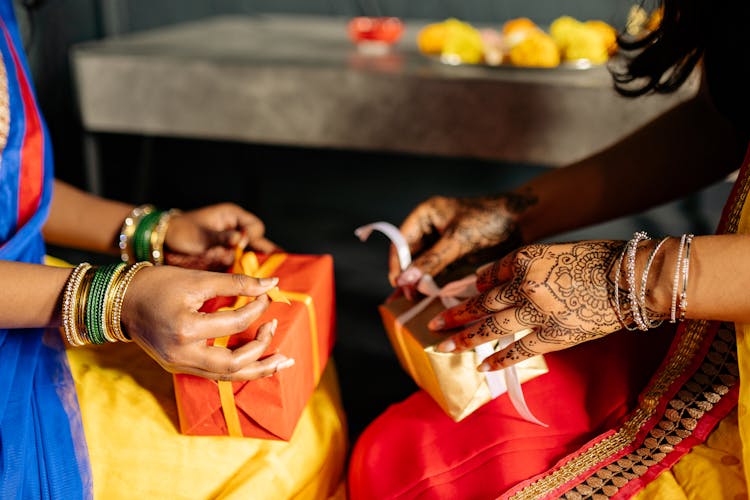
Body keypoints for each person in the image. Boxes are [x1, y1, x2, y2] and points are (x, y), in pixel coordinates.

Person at [349, 1, 750, 498]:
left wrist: (631, 281)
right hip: (717, 335)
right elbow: (725, 121)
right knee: (394, 453)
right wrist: (518, 212)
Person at [0, 2, 346, 498]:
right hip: (23, 331)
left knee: (299, 393)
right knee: (259, 462)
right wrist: (118, 300)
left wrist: (155, 231)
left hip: (37, 291)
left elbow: (15, 187)